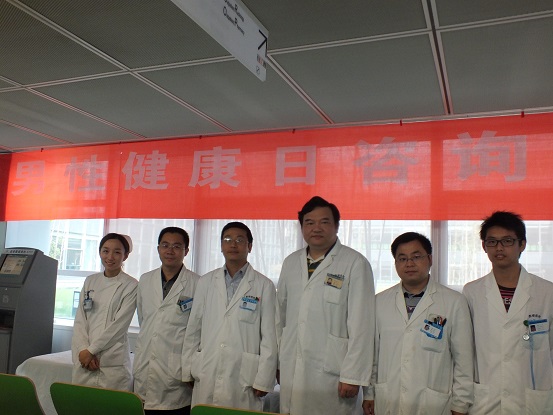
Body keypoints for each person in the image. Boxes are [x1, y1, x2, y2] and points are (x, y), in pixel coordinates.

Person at [277, 196, 375, 415]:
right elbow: (280, 316)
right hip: (292, 363)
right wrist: (278, 362)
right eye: (309, 222)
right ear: (302, 227)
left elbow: (362, 324)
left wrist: (353, 375)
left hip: (334, 373)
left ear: (337, 226)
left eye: (324, 222)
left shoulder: (354, 263)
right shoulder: (291, 262)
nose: (316, 228)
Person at [362, 232, 473, 415]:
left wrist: (460, 404)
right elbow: (373, 354)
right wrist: (369, 393)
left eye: (416, 257)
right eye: (402, 258)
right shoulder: (379, 302)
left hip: (434, 403)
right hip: (388, 399)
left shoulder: (454, 302)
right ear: (395, 263)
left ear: (430, 259)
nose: (409, 264)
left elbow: (464, 360)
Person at [463, 211, 553, 414]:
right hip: (486, 400)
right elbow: (466, 350)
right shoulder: (472, 292)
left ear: (522, 244)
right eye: (492, 242)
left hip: (532, 400)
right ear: (484, 246)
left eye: (507, 241)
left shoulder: (547, 292)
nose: (499, 247)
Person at [181, 222, 277, 411]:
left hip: (244, 377)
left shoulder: (264, 285)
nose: (233, 244)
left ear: (250, 246)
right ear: (221, 245)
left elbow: (269, 336)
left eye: (240, 240)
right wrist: (188, 368)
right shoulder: (206, 281)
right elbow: (194, 328)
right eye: (227, 239)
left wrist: (264, 378)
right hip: (207, 368)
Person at [133, 227, 200, 415]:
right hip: (146, 365)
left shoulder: (198, 283)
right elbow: (144, 319)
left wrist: (190, 369)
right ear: (158, 249)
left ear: (186, 251)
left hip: (176, 372)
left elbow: (198, 330)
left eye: (177, 246)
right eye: (165, 245)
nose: (170, 251)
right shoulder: (145, 280)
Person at [71, 233, 138, 391]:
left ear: (125, 256)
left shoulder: (131, 285)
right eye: (105, 251)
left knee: (111, 403)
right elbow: (80, 320)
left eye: (117, 252)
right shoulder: (91, 281)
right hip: (85, 359)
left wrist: (91, 350)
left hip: (112, 361)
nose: (110, 257)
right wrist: (83, 350)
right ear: (100, 252)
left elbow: (118, 326)